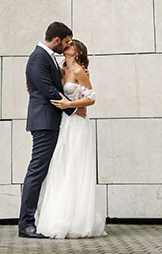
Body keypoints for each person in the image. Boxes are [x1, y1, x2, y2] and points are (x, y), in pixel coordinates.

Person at [35, 39, 106, 239]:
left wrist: (70, 105)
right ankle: (59, 215)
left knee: (76, 167)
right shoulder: (59, 70)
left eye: (71, 44)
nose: (67, 45)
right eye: (67, 43)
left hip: (78, 125)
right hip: (63, 124)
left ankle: (78, 219)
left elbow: (91, 97)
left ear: (77, 52)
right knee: (60, 165)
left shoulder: (79, 71)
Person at [17, 21, 79, 238]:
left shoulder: (45, 57)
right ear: (56, 40)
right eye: (66, 42)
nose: (67, 46)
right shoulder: (38, 58)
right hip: (43, 122)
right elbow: (47, 90)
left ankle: (36, 219)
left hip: (49, 121)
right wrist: (74, 109)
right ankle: (25, 224)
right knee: (37, 171)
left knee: (42, 171)